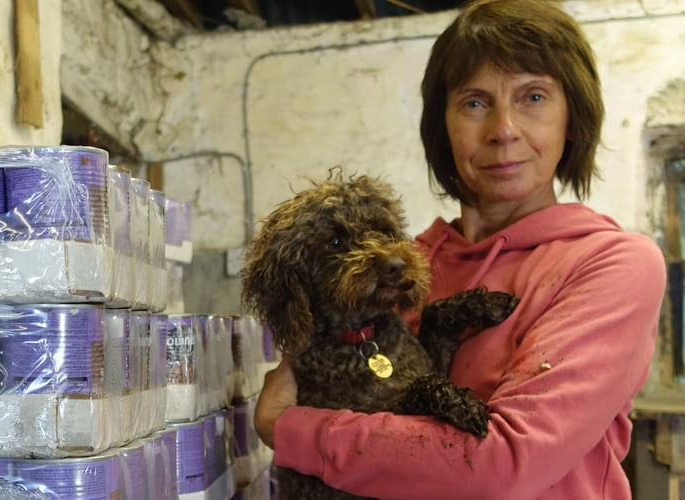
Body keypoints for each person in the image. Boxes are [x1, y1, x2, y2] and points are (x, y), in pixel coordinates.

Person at [253, 0, 667, 498]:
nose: (503, 130)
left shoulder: (612, 264)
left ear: (572, 119)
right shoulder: (401, 264)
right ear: (443, 127)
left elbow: (506, 462)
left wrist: (290, 430)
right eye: (474, 102)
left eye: (533, 97)